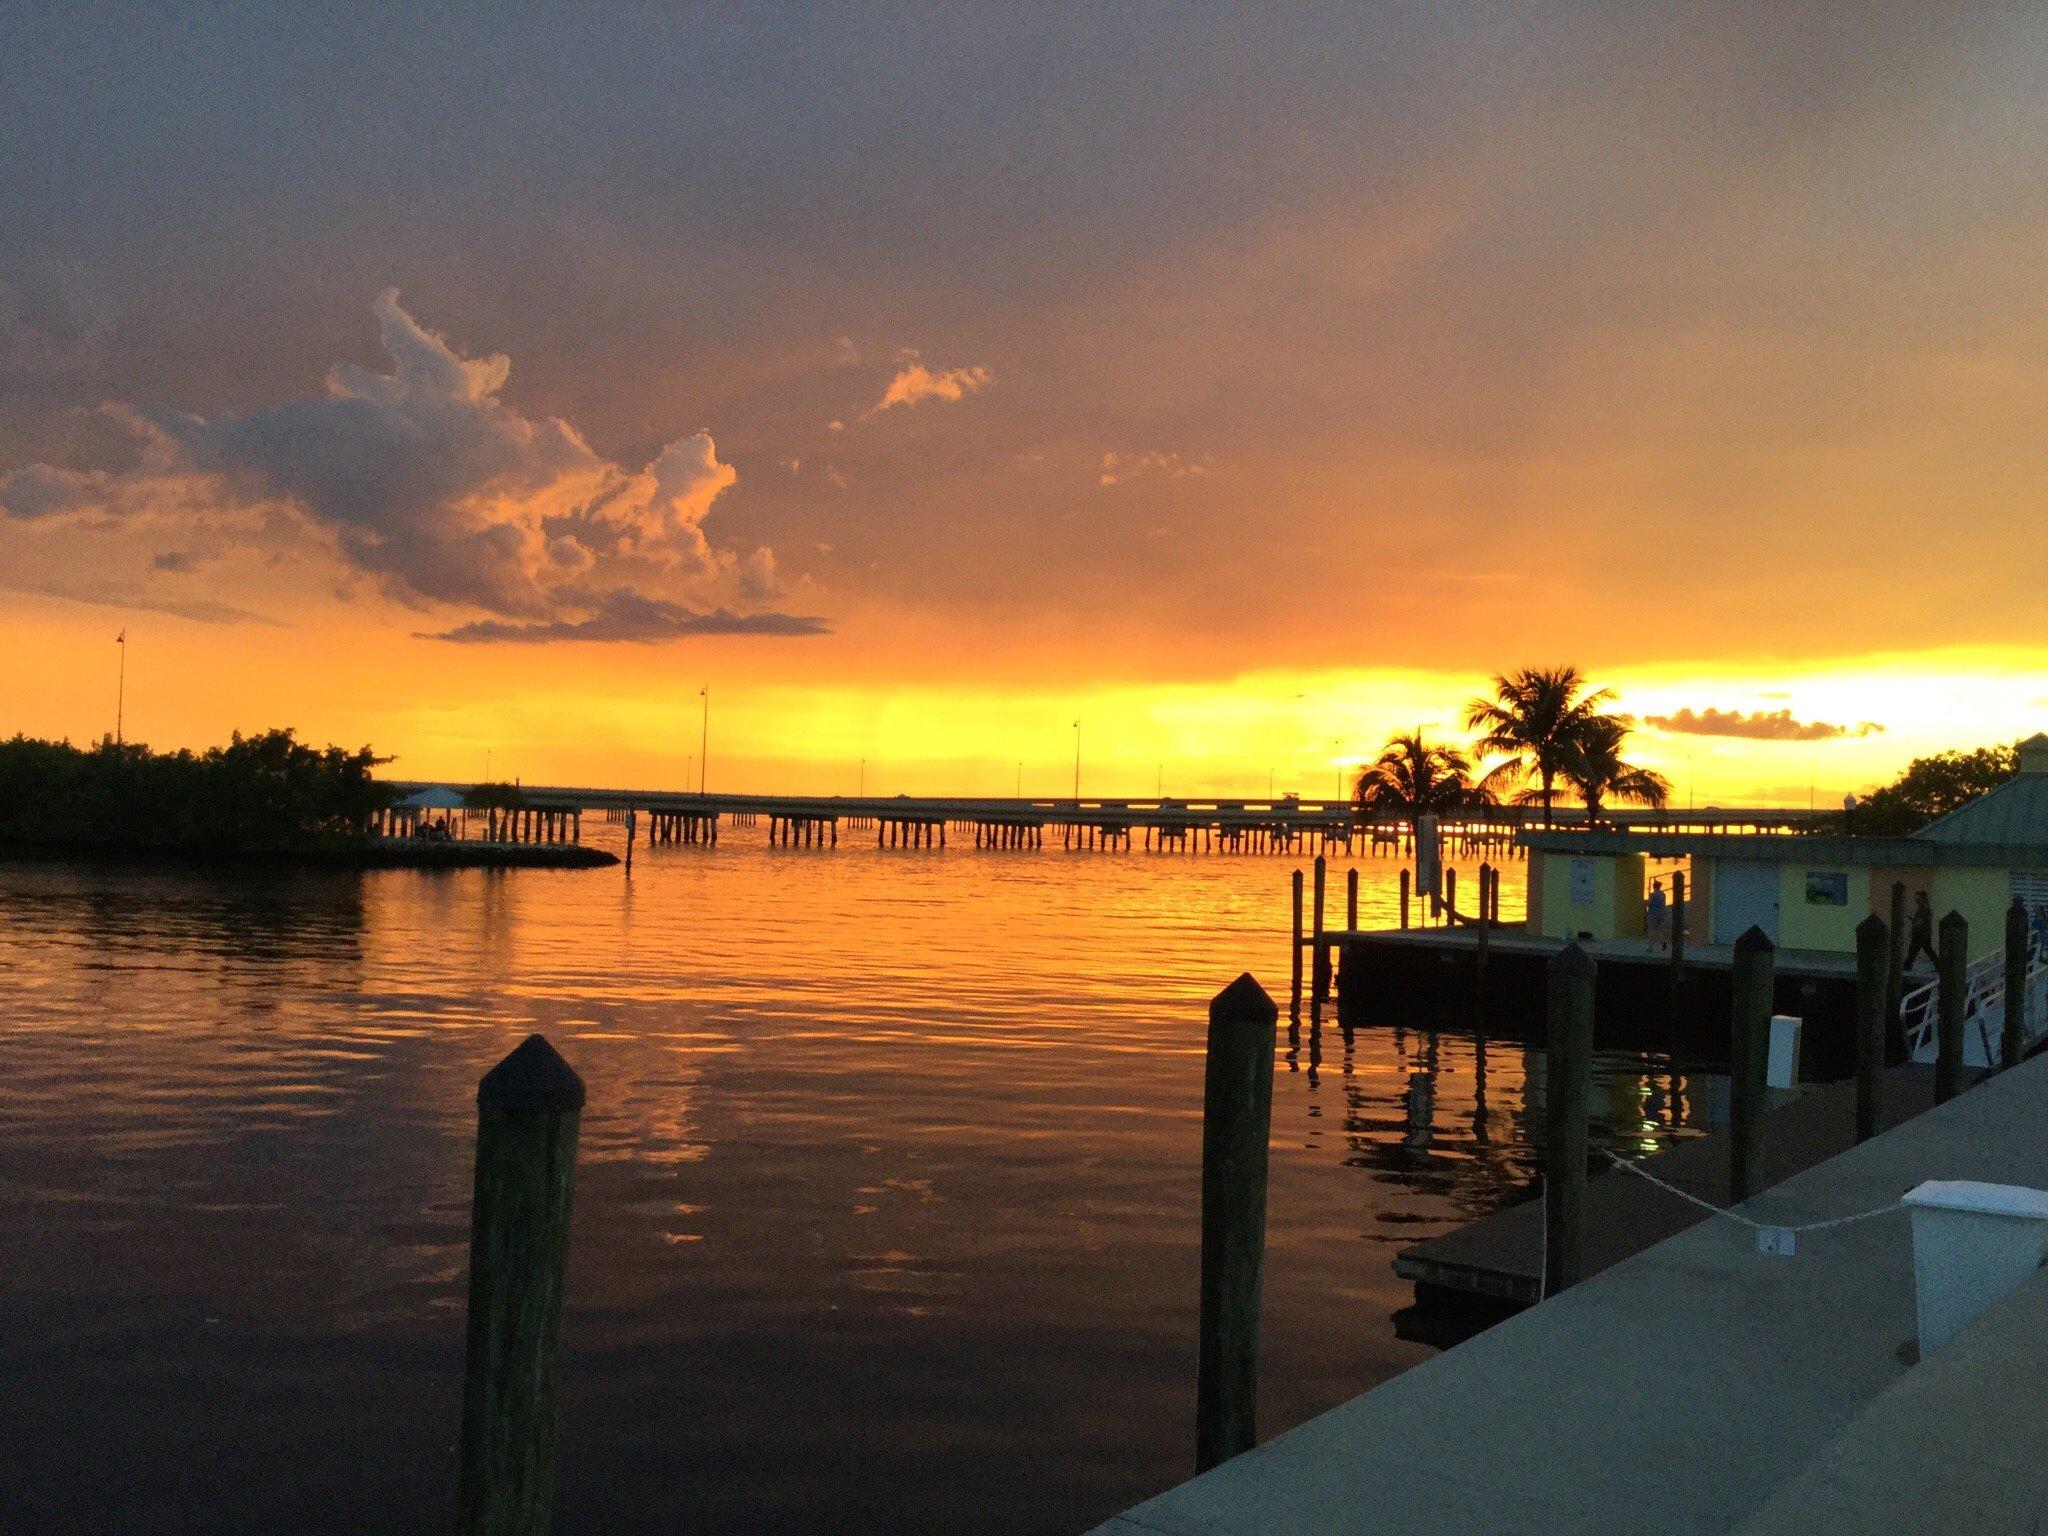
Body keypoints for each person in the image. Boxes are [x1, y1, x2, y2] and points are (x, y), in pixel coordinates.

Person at [1903, 890, 1938, 970]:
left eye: (1918, 897)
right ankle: (1907, 966)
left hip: (1921, 934)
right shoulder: (1923, 909)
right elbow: (1920, 921)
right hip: (1922, 934)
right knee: (1917, 950)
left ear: (1922, 898)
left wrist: (1913, 930)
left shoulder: (1924, 909)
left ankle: (1907, 966)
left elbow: (1920, 922)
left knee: (1915, 950)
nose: (1916, 899)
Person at [1647, 878, 1668, 946]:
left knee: (1652, 931)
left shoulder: (1652, 895)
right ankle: (1663, 942)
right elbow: (1664, 904)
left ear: (1654, 887)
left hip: (1653, 914)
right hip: (1661, 914)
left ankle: (1650, 946)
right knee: (1660, 930)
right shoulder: (1663, 895)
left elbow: (1649, 904)